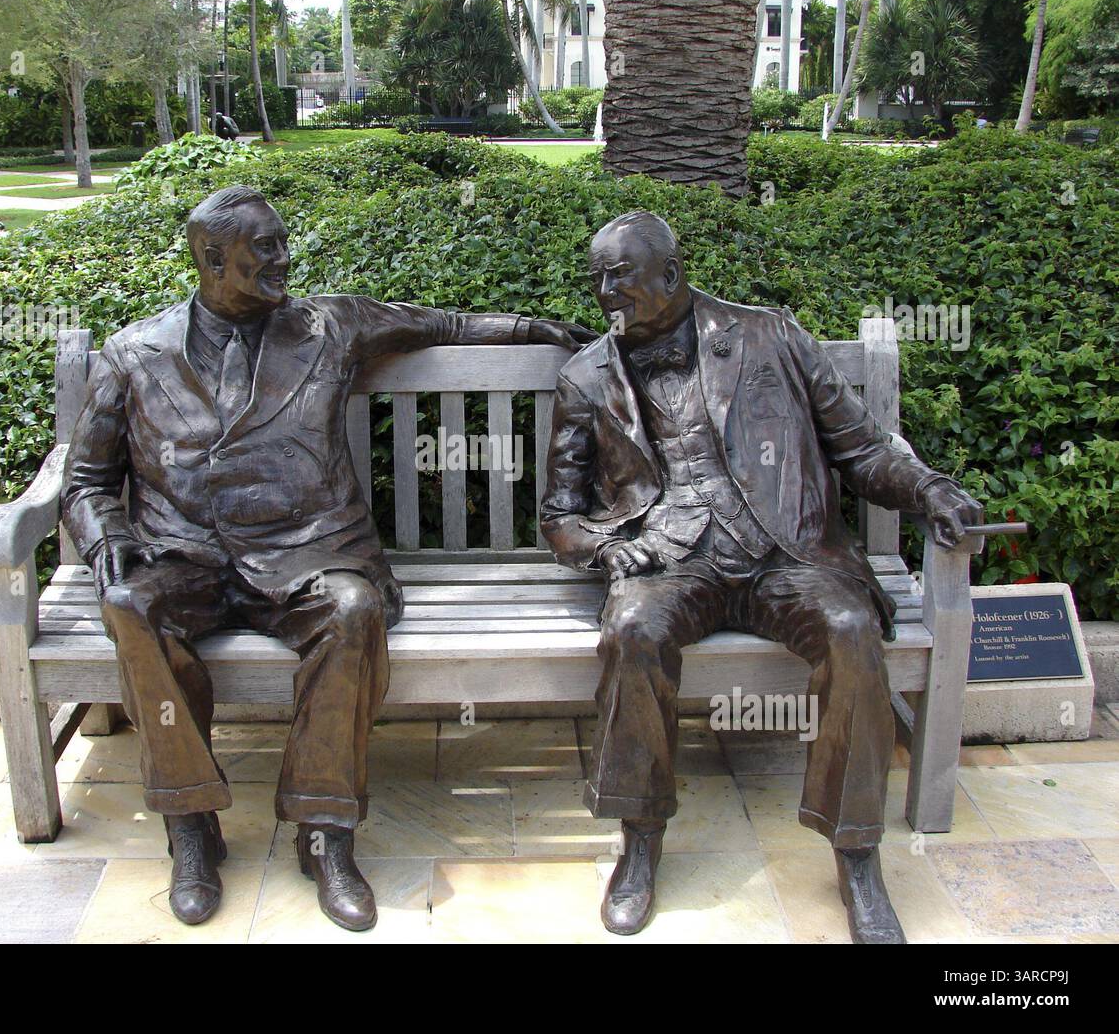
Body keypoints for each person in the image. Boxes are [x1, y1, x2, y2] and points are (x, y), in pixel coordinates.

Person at [62, 186, 594, 929]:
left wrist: (533, 328)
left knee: (353, 611)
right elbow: (85, 480)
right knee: (128, 604)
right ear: (214, 259)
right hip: (184, 553)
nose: (285, 258)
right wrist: (104, 535)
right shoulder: (134, 353)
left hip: (309, 551)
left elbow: (439, 322)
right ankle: (190, 826)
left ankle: (325, 831)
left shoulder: (329, 324)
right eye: (266, 249)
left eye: (283, 242)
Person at [541, 211, 983, 941]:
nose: (604, 291)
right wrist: (599, 547)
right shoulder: (587, 375)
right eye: (597, 279)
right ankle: (640, 836)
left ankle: (857, 854)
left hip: (788, 553)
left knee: (849, 629)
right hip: (670, 556)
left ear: (672, 275)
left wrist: (930, 487)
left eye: (619, 276)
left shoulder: (768, 333)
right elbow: (559, 514)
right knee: (631, 628)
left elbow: (862, 447)